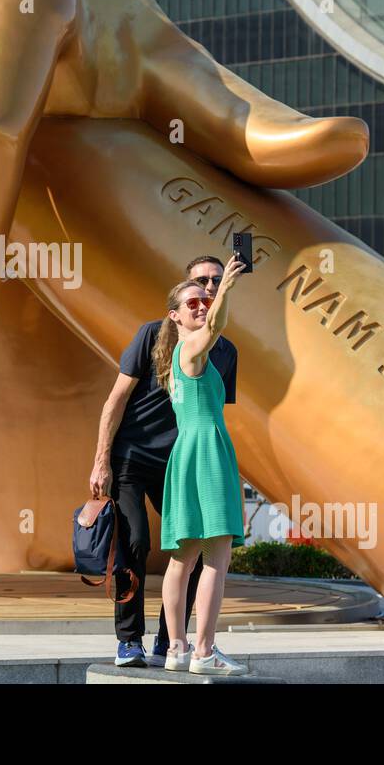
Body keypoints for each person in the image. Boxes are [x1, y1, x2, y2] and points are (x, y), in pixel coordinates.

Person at [89, 256, 238, 668]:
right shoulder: (155, 335)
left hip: (181, 459)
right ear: (178, 301)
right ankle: (129, 640)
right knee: (136, 542)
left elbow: (209, 407)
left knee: (188, 551)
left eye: (214, 282)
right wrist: (102, 458)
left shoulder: (224, 350)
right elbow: (115, 400)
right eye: (201, 283)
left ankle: (172, 642)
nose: (207, 290)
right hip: (134, 455)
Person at [158, 258, 248, 675]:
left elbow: (212, 328)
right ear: (175, 315)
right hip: (207, 450)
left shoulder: (179, 354)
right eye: (194, 299)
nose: (202, 304)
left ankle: (177, 648)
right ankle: (204, 652)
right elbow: (214, 328)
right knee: (217, 555)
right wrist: (226, 286)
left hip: (187, 453)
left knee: (185, 557)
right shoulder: (191, 347)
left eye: (205, 299)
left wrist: (219, 294)